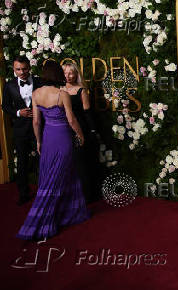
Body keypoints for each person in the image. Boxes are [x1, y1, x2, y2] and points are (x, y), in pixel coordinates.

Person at [16, 60, 90, 241]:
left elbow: (36, 121)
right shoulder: (62, 94)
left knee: (59, 174)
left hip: (48, 138)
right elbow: (71, 120)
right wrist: (81, 135)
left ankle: (67, 213)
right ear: (57, 74)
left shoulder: (36, 93)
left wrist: (39, 142)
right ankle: (43, 218)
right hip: (63, 137)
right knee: (57, 177)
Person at [2, 56, 41, 205]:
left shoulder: (39, 82)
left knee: (40, 160)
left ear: (29, 67)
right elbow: (5, 106)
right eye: (18, 69)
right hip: (20, 130)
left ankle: (42, 191)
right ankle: (23, 193)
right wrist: (19, 113)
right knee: (22, 163)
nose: (22, 72)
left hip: (38, 127)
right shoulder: (9, 86)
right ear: (14, 69)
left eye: (24, 69)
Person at [61, 62, 101, 203]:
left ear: (76, 74)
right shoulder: (59, 90)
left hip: (80, 128)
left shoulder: (81, 90)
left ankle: (86, 195)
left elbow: (88, 113)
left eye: (71, 73)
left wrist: (93, 131)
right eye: (65, 73)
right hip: (64, 130)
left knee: (81, 163)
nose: (68, 76)